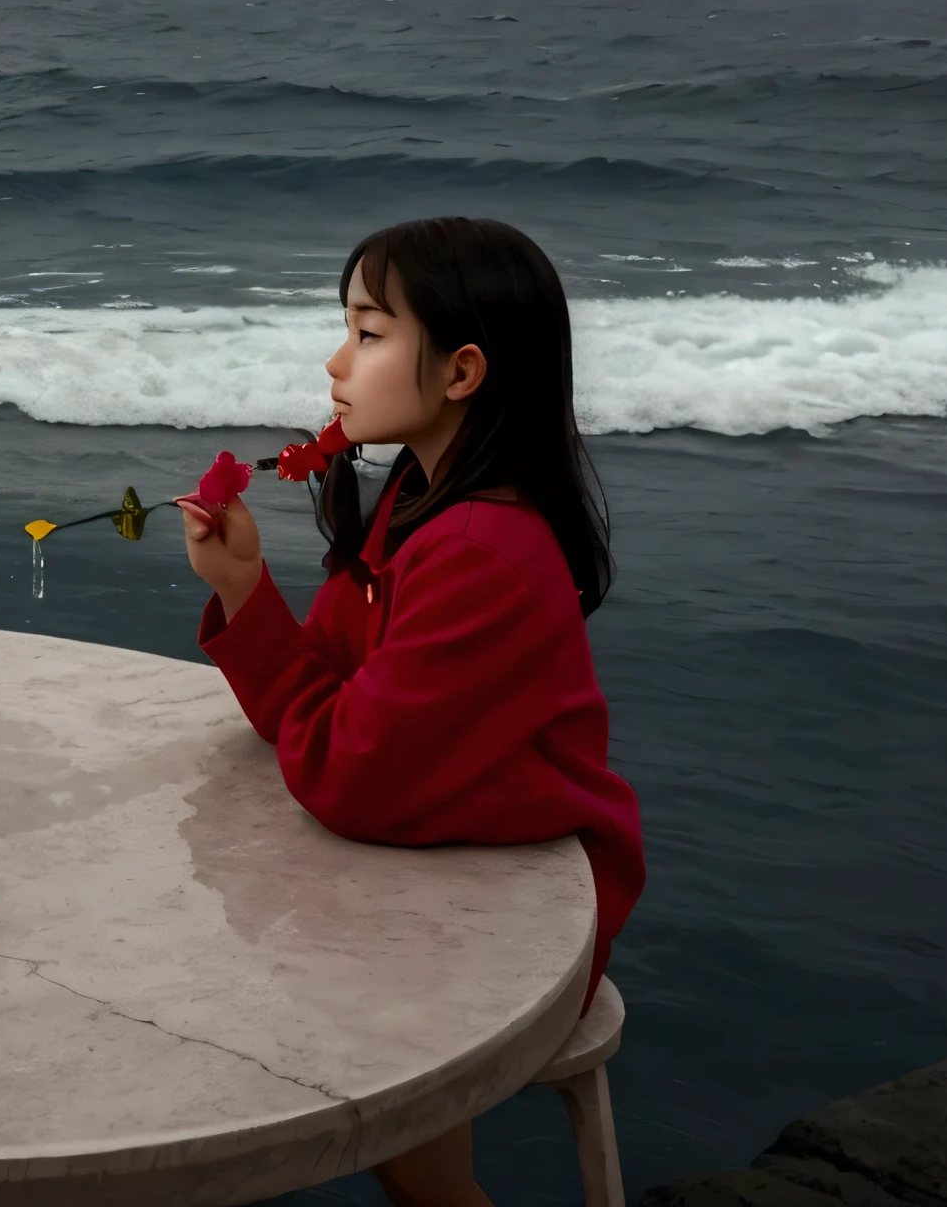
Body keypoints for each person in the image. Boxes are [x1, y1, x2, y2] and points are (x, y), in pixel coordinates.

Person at [178, 216, 644, 1207]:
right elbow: (324, 706)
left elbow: (346, 772)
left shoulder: (479, 548)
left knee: (268, 990)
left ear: (462, 370)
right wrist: (242, 590)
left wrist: (299, 684)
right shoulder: (417, 503)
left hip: (525, 897)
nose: (335, 358)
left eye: (368, 331)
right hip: (441, 844)